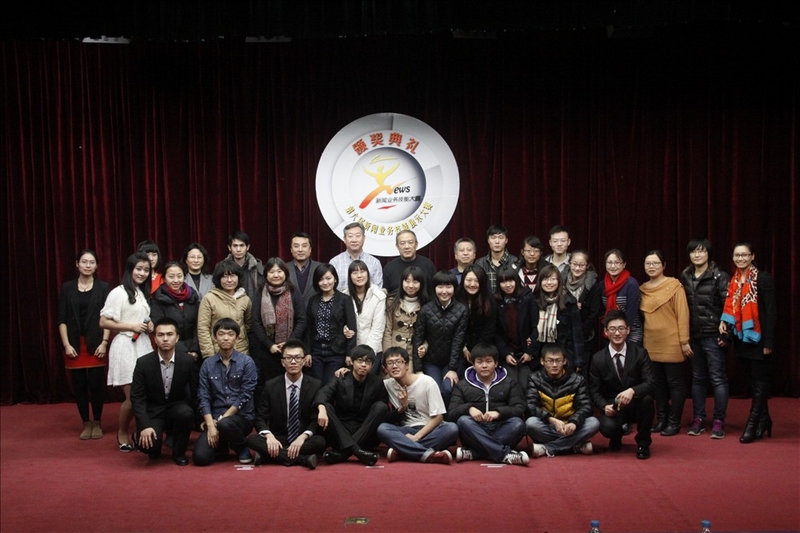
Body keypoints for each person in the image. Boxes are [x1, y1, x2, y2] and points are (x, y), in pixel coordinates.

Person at [719, 242, 777, 444]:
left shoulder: (762, 278)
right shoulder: (734, 279)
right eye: (737, 255)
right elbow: (731, 309)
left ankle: (752, 424)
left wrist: (769, 342)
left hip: (759, 339)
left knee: (760, 383)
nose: (741, 258)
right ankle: (765, 420)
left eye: (744, 255)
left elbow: (771, 311)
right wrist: (725, 324)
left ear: (752, 256)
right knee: (753, 382)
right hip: (742, 339)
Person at [99, 252, 153, 452]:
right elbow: (103, 321)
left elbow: (141, 319)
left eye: (146, 270)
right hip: (125, 346)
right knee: (133, 397)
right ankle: (122, 432)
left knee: (145, 395)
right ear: (130, 269)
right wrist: (131, 326)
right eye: (138, 269)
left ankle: (139, 433)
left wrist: (149, 326)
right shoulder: (119, 292)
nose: (142, 273)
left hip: (143, 345)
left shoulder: (141, 292)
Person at [246, 340, 326, 469]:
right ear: (283, 362)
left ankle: (269, 455)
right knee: (252, 439)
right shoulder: (271, 385)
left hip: (302, 437)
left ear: (304, 361)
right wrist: (269, 436)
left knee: (320, 442)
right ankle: (302, 459)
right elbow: (260, 417)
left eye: (297, 358)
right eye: (289, 358)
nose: (293, 362)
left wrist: (303, 437)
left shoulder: (315, 385)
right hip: (279, 437)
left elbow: (315, 420)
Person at [57, 249, 111, 440]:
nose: (88, 266)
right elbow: (61, 319)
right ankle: (85, 423)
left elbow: (108, 317)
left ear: (96, 266)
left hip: (96, 342)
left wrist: (105, 342)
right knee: (79, 385)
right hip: (74, 343)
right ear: (77, 264)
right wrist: (66, 345)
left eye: (91, 262)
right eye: (84, 262)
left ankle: (97, 422)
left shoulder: (103, 287)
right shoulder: (67, 288)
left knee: (96, 385)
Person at [680, 238, 730, 438]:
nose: (697, 255)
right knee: (698, 379)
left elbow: (728, 306)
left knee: (718, 378)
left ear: (708, 254)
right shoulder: (685, 276)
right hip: (694, 335)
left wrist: (726, 334)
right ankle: (699, 418)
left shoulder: (719, 276)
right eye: (693, 251)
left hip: (713, 336)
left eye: (701, 251)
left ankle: (719, 421)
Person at [589, 310, 656, 459]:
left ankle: (643, 443)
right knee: (607, 427)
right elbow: (594, 391)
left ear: (628, 330)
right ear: (606, 332)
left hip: (635, 402)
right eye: (612, 329)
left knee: (647, 400)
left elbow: (651, 382)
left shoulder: (640, 353)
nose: (617, 333)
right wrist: (604, 406)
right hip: (613, 405)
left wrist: (633, 391)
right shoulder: (598, 359)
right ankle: (616, 436)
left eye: (621, 328)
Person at [447, 343, 528, 466]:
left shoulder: (509, 382)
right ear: (473, 364)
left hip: (500, 427)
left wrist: (499, 413)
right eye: (479, 362)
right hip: (475, 430)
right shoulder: (463, 385)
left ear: (496, 363)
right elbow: (451, 414)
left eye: (488, 361)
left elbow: (520, 407)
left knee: (518, 423)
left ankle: (476, 453)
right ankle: (503, 454)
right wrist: (469, 409)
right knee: (463, 421)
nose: (484, 365)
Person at [130, 318, 197, 466]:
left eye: (169, 334)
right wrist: (144, 425)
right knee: (149, 447)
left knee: (186, 413)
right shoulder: (143, 363)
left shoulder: (187, 361)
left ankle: (179, 453)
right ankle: (142, 437)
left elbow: (195, 393)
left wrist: (202, 419)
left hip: (177, 408)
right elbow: (137, 398)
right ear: (154, 338)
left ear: (177, 338)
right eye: (160, 335)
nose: (165, 339)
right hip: (154, 411)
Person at [376, 347, 459, 464]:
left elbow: (438, 417)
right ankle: (427, 455)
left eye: (398, 362)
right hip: (406, 431)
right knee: (383, 428)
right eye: (390, 363)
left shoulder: (427, 382)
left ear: (406, 365)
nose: (394, 366)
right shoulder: (387, 385)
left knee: (452, 428)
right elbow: (368, 382)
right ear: (385, 369)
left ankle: (402, 452)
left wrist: (417, 437)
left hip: (430, 429)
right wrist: (402, 407)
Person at [640, 249, 691, 436]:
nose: (651, 266)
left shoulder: (674, 286)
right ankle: (661, 419)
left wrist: (684, 341)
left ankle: (674, 422)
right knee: (657, 383)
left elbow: (683, 315)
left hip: (672, 342)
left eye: (655, 263)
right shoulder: (642, 289)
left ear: (664, 266)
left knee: (675, 383)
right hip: (650, 343)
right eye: (648, 263)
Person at [194, 318, 258, 466]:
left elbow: (245, 395)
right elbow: (203, 396)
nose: (226, 338)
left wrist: (221, 420)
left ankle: (241, 446)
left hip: (241, 417)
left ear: (237, 338)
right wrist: (210, 424)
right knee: (200, 458)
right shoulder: (207, 364)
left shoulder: (247, 362)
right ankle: (222, 446)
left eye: (230, 334)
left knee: (225, 424)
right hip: (216, 418)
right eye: (221, 334)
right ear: (215, 338)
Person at [314, 345, 390, 465]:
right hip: (341, 430)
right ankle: (357, 451)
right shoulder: (341, 378)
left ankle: (344, 453)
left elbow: (383, 411)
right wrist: (322, 408)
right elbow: (323, 393)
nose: (363, 365)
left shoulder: (377, 382)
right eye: (360, 360)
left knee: (381, 406)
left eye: (368, 362)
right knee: (326, 406)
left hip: (365, 431)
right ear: (352, 362)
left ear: (372, 365)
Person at [525, 344, 599, 457]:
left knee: (593, 423)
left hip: (571, 427)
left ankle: (548, 448)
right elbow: (530, 406)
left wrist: (574, 422)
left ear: (564, 361)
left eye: (558, 361)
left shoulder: (577, 380)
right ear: (542, 361)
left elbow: (586, 406)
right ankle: (575, 445)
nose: (554, 365)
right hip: (548, 425)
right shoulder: (534, 378)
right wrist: (551, 420)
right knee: (531, 423)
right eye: (550, 361)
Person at [412, 270, 468, 405]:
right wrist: (418, 370)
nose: (444, 291)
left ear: (454, 288)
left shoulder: (462, 310)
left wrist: (452, 369)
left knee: (448, 389)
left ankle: (448, 416)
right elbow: (418, 338)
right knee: (434, 389)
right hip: (431, 361)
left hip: (451, 361)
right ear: (434, 288)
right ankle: (436, 417)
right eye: (440, 287)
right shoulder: (426, 309)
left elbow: (458, 341)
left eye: (448, 287)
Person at [251, 257, 308, 382]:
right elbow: (255, 322)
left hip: (290, 351)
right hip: (266, 350)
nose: (276, 275)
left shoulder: (293, 292)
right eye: (271, 272)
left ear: (285, 273)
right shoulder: (260, 292)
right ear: (266, 274)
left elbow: (302, 320)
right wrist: (269, 345)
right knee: (268, 385)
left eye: (279, 271)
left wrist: (290, 341)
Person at [305, 263, 357, 385]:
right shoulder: (313, 300)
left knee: (330, 385)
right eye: (321, 279)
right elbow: (308, 329)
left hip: (336, 351)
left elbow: (352, 328)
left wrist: (349, 354)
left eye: (328, 278)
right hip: (316, 350)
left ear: (335, 279)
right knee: (316, 385)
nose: (325, 282)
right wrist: (307, 352)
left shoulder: (344, 299)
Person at [533, 264, 585, 370]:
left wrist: (578, 360)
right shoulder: (533, 301)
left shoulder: (569, 302)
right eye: (545, 279)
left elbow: (577, 333)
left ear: (559, 281)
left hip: (564, 354)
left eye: (553, 279)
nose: (549, 283)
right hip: (539, 355)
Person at [494, 266, 539, 388]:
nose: (507, 285)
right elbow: (496, 332)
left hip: (526, 353)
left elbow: (536, 326)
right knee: (511, 384)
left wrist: (530, 352)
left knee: (526, 384)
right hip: (507, 353)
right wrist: (505, 354)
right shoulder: (496, 301)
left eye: (510, 280)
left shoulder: (527, 297)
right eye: (503, 282)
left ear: (516, 280)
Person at [197, 260, 252, 358]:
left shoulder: (245, 299)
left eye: (233, 276)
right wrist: (209, 355)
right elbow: (203, 329)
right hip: (217, 351)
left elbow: (248, 324)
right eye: (225, 276)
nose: (229, 280)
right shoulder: (209, 298)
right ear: (219, 279)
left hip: (241, 351)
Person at [150, 261, 201, 362]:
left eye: (179, 276)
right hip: (170, 353)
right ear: (164, 278)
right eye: (171, 277)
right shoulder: (158, 299)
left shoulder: (192, 296)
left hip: (196, 353)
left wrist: (195, 350)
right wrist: (183, 352)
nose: (176, 280)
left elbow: (199, 326)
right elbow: (160, 329)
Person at [382, 266, 429, 369]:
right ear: (401, 282)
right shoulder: (391, 301)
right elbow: (387, 331)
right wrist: (387, 357)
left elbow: (428, 333)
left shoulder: (426, 304)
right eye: (407, 281)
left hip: (413, 354)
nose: (411, 285)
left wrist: (425, 346)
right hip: (393, 350)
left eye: (415, 282)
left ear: (421, 283)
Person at [565, 250, 603, 370]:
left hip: (585, 336)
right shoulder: (561, 280)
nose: (577, 268)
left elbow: (594, 313)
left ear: (587, 266)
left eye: (581, 265)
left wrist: (581, 332)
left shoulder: (593, 284)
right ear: (569, 263)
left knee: (582, 371)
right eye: (574, 264)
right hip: (564, 335)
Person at [456, 265, 497, 363]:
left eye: (477, 281)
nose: (472, 284)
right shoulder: (456, 297)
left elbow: (489, 328)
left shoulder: (489, 299)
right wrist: (464, 348)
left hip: (484, 346)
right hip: (459, 346)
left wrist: (476, 350)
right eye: (469, 280)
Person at [602, 248, 643, 343]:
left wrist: (621, 338)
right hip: (611, 335)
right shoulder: (602, 285)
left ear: (624, 264)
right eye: (609, 262)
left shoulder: (631, 284)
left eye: (617, 262)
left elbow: (631, 314)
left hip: (631, 334)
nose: (613, 266)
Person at [329, 222, 383, 291]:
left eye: (357, 236)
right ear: (344, 239)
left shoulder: (374, 262)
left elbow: (378, 290)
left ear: (364, 238)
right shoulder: (335, 262)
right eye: (350, 236)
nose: (354, 240)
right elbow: (331, 289)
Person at [382, 230, 437, 296]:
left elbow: (433, 292)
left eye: (410, 242)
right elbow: (387, 293)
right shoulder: (389, 267)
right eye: (402, 243)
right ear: (397, 246)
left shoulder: (427, 264)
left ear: (416, 244)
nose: (407, 247)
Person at [225, 230, 265, 305]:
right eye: (235, 246)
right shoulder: (223, 269)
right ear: (229, 248)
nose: (238, 250)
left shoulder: (257, 268)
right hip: (229, 308)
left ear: (247, 247)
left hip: (253, 308)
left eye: (242, 245)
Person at [475, 224, 518, 292]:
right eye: (493, 237)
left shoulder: (515, 261)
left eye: (501, 237)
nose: (497, 241)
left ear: (506, 240)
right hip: (487, 298)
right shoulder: (480, 263)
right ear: (488, 240)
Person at [286, 232, 322, 308]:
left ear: (310, 249)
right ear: (291, 249)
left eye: (304, 246)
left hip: (315, 313)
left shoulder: (320, 268)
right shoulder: (283, 269)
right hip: (291, 313)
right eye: (296, 246)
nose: (300, 250)